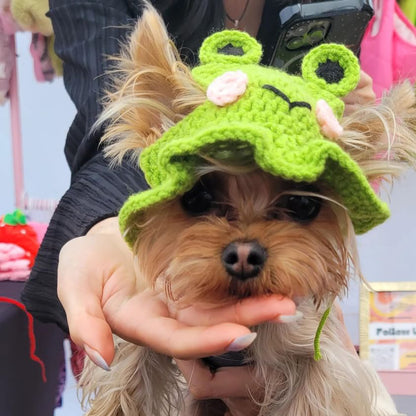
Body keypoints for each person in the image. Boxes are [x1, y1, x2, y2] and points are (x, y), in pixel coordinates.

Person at [22, 0, 376, 413]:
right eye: (201, 200)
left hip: (301, 315)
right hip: (157, 284)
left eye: (297, 205)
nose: (244, 249)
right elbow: (110, 136)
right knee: (135, 367)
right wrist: (114, 231)